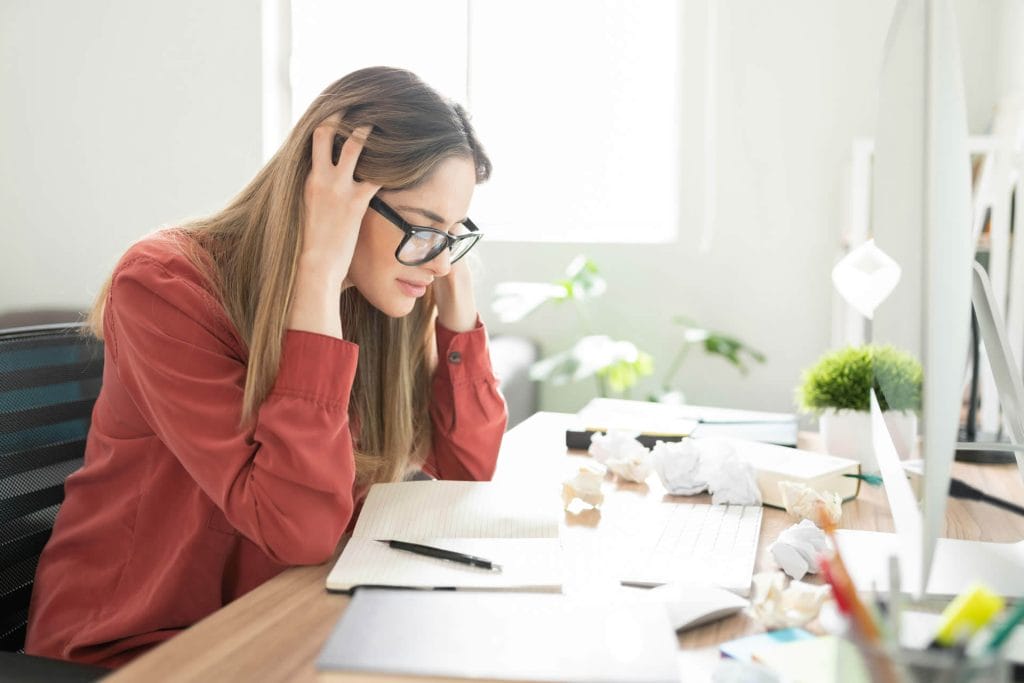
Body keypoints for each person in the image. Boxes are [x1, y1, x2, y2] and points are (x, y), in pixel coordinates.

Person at [25, 66, 508, 668]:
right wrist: (316, 274)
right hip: (141, 641)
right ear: (330, 196)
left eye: (453, 233)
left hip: (284, 609)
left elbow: (467, 470)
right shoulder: (166, 285)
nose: (437, 261)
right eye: (423, 228)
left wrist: (457, 312)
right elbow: (297, 529)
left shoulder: (376, 294)